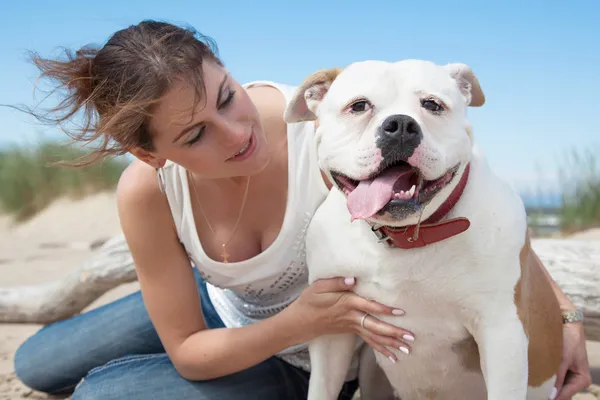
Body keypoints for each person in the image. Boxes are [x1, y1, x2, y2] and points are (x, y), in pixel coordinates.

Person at [12, 20, 591, 400]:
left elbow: (481, 210)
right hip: (226, 311)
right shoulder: (146, 190)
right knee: (38, 363)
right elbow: (189, 351)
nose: (237, 133)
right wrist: (297, 318)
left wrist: (561, 314)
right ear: (148, 153)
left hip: (308, 358)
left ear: (227, 68)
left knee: (102, 392)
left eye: (227, 96)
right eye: (194, 137)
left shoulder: (339, 129)